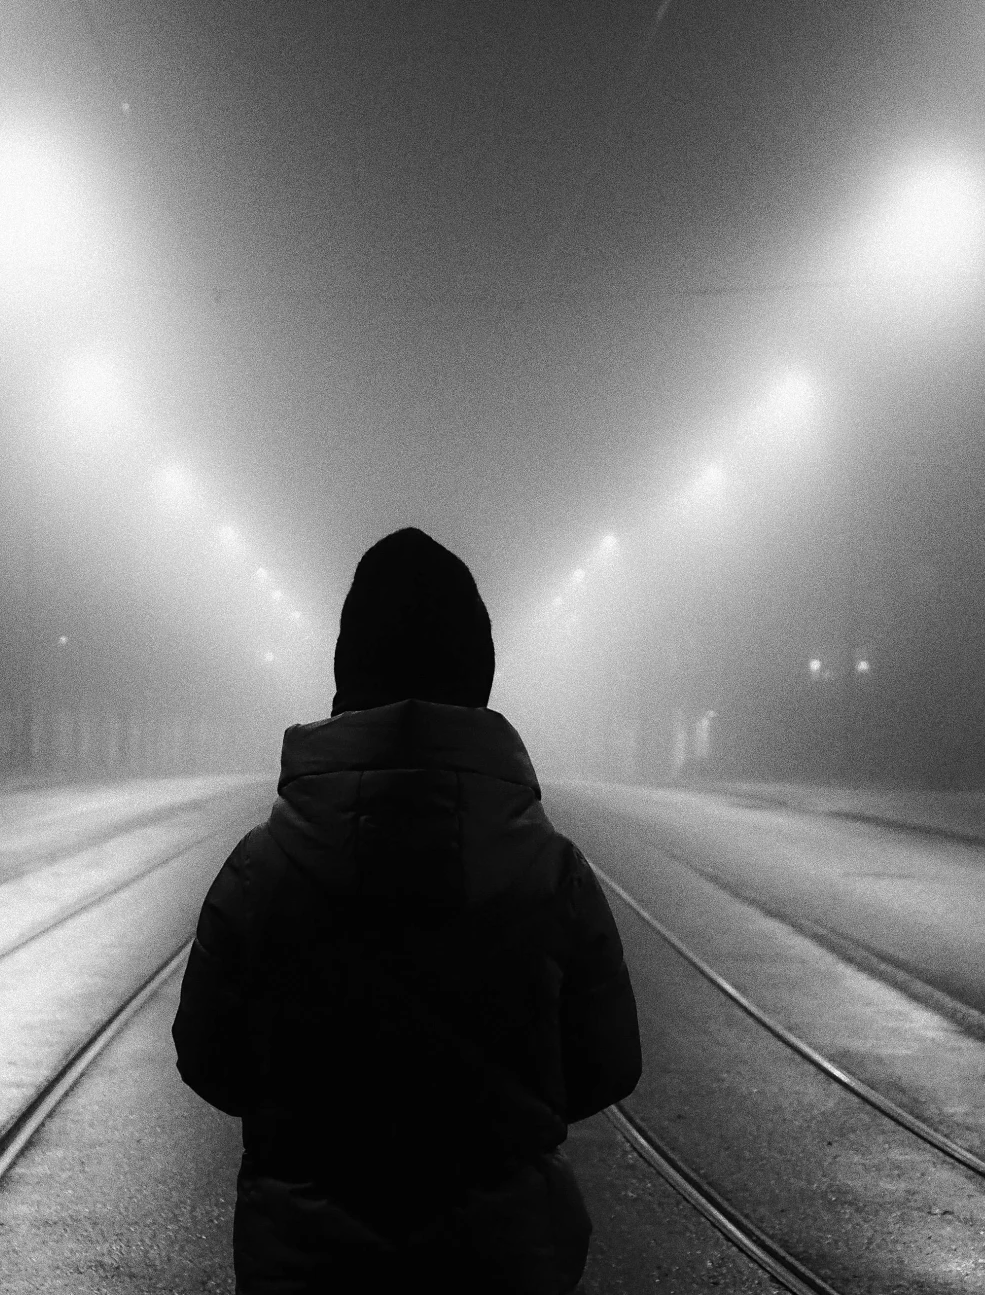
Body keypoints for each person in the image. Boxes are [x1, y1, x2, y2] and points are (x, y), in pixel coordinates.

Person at [173, 527, 642, 1295]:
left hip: (307, 1260)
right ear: (479, 677)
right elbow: (609, 1061)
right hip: (501, 1260)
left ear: (347, 674)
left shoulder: (262, 867)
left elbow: (208, 1055)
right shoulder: (552, 871)